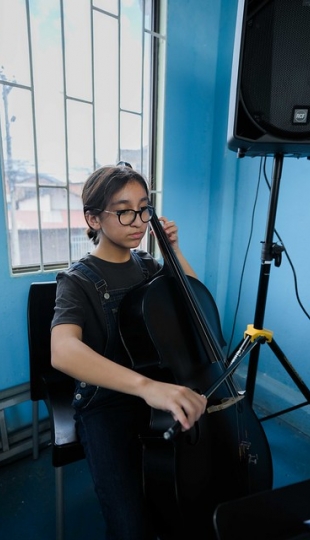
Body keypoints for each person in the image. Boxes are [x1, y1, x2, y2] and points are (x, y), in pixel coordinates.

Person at [50, 162, 207, 540]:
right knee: (131, 527)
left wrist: (173, 251)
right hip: (106, 405)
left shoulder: (149, 265)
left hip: (156, 392)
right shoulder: (76, 280)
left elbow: (197, 305)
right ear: (93, 219)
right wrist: (145, 386)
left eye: (144, 208)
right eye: (123, 211)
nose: (138, 220)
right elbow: (63, 351)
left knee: (182, 501)